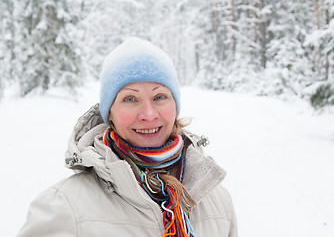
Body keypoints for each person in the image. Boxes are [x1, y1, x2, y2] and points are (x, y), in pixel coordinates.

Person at [17, 37, 238, 237]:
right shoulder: (65, 206)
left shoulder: (216, 201)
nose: (149, 114)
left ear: (175, 106)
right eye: (130, 99)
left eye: (160, 96)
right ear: (109, 113)